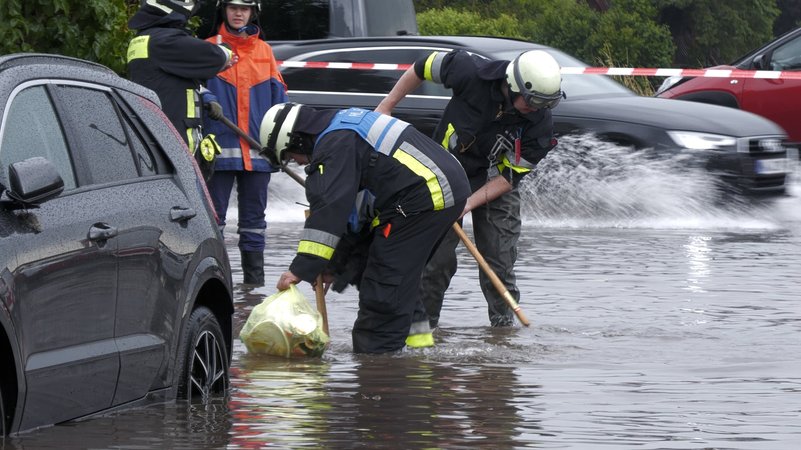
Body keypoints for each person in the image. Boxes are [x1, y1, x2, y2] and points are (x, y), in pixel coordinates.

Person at [260, 103, 471, 354]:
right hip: (441, 190)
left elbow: (329, 212)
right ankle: (418, 352)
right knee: (398, 277)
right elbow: (354, 212)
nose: (295, 161)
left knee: (383, 284)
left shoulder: (333, 145)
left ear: (295, 140)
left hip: (425, 196)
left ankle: (376, 364)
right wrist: (333, 265)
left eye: (289, 156)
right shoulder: (343, 127)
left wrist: (300, 268)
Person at [376, 49, 563, 328]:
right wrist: (386, 107)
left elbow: (509, 178)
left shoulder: (540, 123)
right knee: (436, 262)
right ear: (513, 84)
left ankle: (503, 334)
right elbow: (420, 67)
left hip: (493, 182)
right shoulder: (468, 70)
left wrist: (466, 204)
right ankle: (424, 331)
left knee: (499, 262)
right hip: (442, 176)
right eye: (533, 100)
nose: (537, 108)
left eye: (545, 104)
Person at [201, 0, 288, 286]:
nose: (239, 14)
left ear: (253, 13)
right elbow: (192, 87)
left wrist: (281, 145)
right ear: (223, 10)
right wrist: (206, 98)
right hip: (219, 151)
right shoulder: (208, 47)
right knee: (214, 222)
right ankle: (214, 285)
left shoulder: (264, 50)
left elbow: (280, 100)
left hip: (258, 152)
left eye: (245, 8)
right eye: (233, 7)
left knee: (255, 224)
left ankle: (253, 288)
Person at [127, 0, 235, 179]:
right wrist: (226, 51)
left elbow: (174, 78)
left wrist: (206, 95)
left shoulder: (144, 40)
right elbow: (215, 56)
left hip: (161, 145)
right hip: (176, 152)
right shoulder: (165, 41)